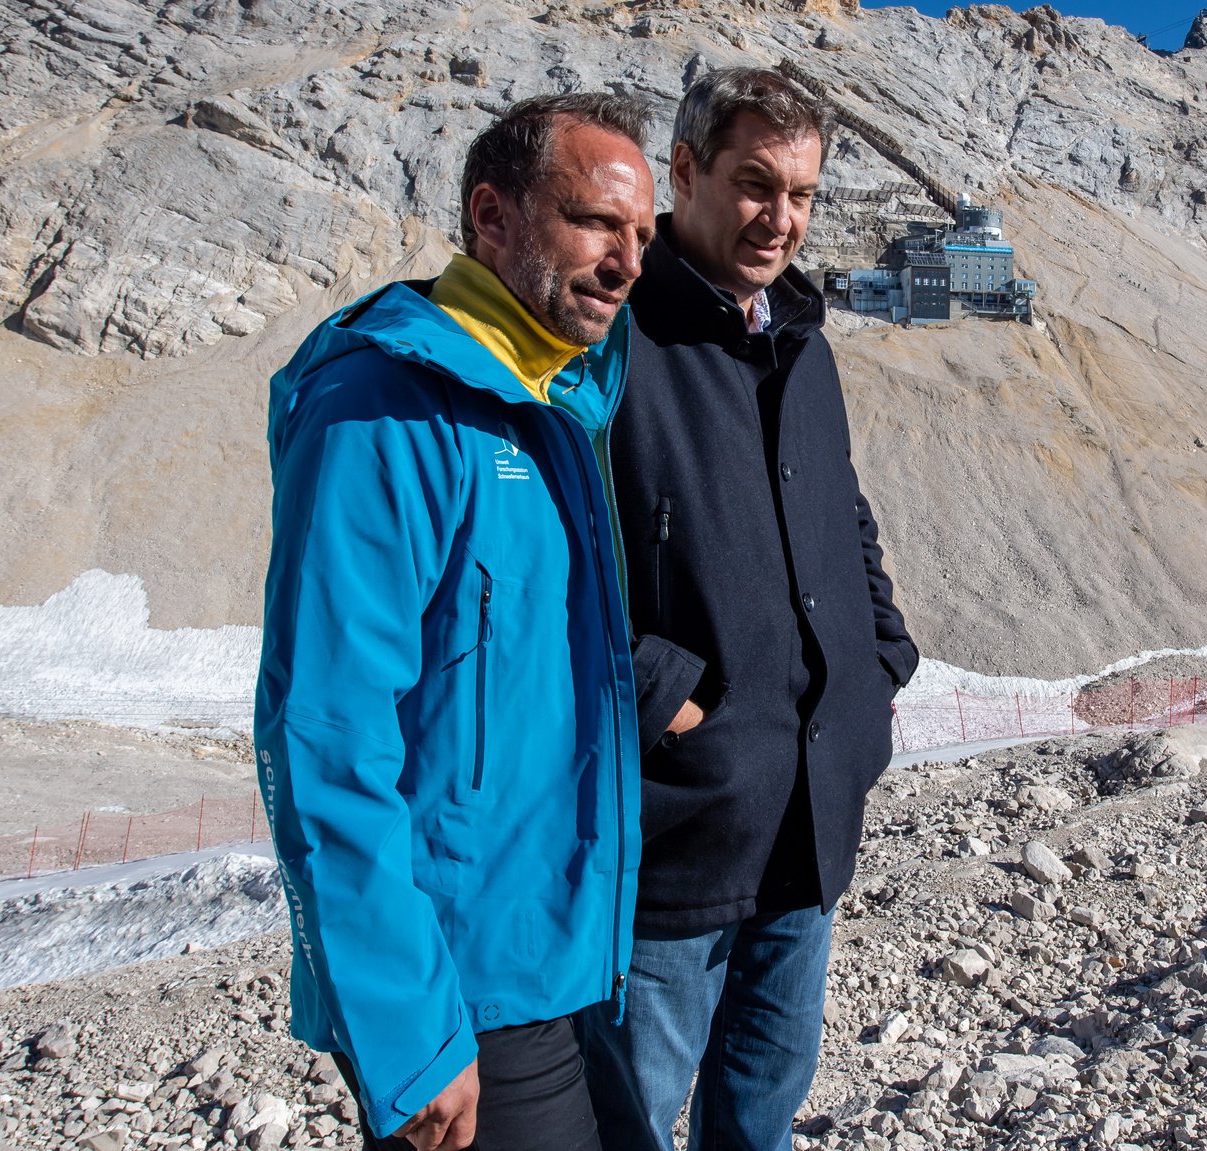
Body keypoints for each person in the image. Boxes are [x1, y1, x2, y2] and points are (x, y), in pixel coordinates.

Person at [255, 92, 656, 1151]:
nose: (626, 261)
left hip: (567, 957)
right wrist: (408, 1028)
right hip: (461, 982)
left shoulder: (554, 406)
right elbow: (326, 731)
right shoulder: (380, 412)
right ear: (491, 217)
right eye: (596, 224)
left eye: (642, 235)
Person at [578, 68, 918, 1151]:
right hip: (677, 832)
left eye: (803, 195)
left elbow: (843, 518)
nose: (782, 218)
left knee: (760, 1114)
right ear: (683, 173)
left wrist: (878, 664)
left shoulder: (802, 343)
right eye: (755, 184)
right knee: (629, 1114)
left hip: (809, 818)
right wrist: (668, 703)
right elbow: (551, 562)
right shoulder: (611, 340)